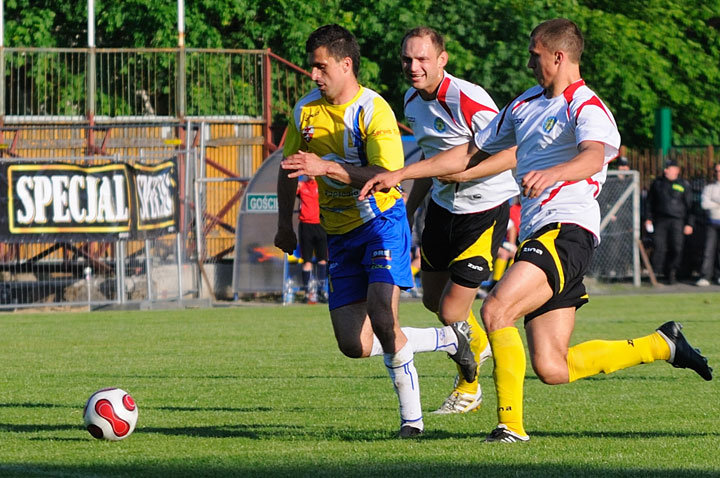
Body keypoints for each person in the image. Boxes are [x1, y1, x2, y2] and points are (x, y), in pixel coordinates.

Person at [361, 18, 713, 443]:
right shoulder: (524, 104)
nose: (530, 62)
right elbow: (470, 152)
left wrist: (553, 174)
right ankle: (663, 344)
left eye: (535, 54)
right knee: (552, 367)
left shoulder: (585, 106)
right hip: (538, 233)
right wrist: (404, 172)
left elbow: (593, 156)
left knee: (495, 311)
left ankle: (510, 426)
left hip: (568, 230)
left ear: (558, 56)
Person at [274, 24, 477, 438]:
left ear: (346, 65)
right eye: (312, 68)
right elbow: (288, 167)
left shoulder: (373, 110)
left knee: (384, 317)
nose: (313, 75)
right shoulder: (304, 111)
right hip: (339, 233)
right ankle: (447, 340)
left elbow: (387, 175)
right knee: (355, 345)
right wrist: (284, 223)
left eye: (321, 67)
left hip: (381, 223)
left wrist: (327, 167)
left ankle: (412, 424)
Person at [400, 27, 520, 414]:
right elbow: (428, 160)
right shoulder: (410, 101)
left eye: (421, 59)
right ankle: (476, 350)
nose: (413, 66)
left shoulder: (467, 98)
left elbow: (514, 150)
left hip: (483, 210)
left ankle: (469, 384)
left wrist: (466, 175)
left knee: (453, 313)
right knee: (433, 301)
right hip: (441, 208)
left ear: (442, 59)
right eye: (407, 59)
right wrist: (407, 208)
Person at [645, 160, 694, 284]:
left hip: (678, 221)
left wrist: (689, 223)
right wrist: (648, 218)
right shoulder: (657, 184)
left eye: (669, 168)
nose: (666, 170)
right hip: (660, 220)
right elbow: (649, 203)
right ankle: (657, 273)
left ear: (676, 170)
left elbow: (690, 206)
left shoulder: (684, 185)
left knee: (676, 247)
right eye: (666, 168)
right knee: (659, 245)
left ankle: (672, 271)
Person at [296, 175, 329, 302]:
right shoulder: (302, 185)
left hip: (321, 225)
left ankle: (322, 291)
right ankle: (307, 292)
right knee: (307, 260)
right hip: (306, 226)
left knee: (322, 260)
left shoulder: (322, 185)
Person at [696, 163, 720, 286]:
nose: (718, 174)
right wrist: (717, 204)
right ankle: (705, 276)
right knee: (708, 250)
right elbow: (705, 204)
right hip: (711, 223)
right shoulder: (709, 188)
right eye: (716, 171)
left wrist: (713, 201)